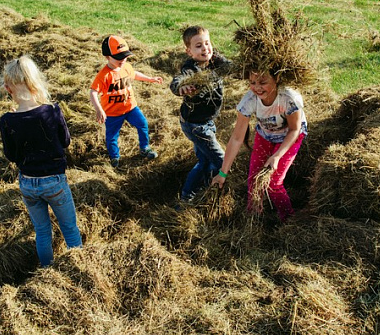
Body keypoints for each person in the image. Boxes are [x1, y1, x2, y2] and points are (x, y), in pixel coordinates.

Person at [0, 56, 83, 267]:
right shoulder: (52, 111)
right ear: (36, 81)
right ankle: (79, 268)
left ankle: (46, 269)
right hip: (54, 181)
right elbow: (65, 141)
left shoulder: (7, 120)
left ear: (9, 90)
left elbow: (11, 156)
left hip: (28, 183)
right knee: (70, 229)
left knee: (42, 231)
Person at [212, 67, 308, 222]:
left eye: (263, 82)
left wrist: (276, 156)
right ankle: (253, 218)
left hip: (289, 136)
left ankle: (289, 219)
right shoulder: (249, 101)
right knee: (254, 180)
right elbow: (236, 138)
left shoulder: (288, 98)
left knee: (273, 183)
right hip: (265, 135)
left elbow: (294, 129)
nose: (257, 87)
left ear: (276, 79)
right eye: (252, 82)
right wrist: (223, 173)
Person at [169, 26, 232, 203]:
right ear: (189, 51)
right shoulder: (190, 69)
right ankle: (195, 195)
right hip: (196, 126)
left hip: (206, 121)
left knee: (204, 161)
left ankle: (193, 192)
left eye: (207, 43)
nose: (205, 48)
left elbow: (231, 67)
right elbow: (177, 81)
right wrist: (181, 88)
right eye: (198, 46)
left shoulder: (214, 60)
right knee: (222, 162)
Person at [90, 35, 163, 168]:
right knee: (112, 136)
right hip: (112, 112)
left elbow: (134, 74)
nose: (123, 60)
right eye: (119, 57)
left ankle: (144, 148)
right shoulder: (104, 75)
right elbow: (93, 91)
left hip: (130, 108)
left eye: (125, 56)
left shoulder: (126, 67)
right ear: (107, 57)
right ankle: (115, 157)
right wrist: (99, 109)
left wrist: (150, 79)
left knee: (142, 124)